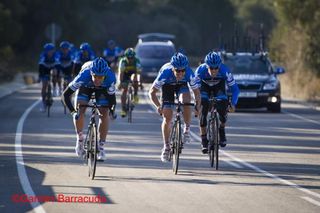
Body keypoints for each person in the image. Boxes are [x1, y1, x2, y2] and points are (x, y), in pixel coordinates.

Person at [149, 52, 201, 162]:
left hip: (181, 86)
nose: (181, 73)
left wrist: (197, 106)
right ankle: (166, 146)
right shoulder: (165, 73)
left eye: (183, 70)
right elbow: (152, 92)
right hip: (167, 86)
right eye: (178, 70)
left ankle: (186, 129)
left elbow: (196, 92)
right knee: (167, 117)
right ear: (173, 69)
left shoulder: (189, 73)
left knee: (186, 102)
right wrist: (158, 106)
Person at [61, 57, 116, 161]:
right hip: (85, 87)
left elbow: (112, 99)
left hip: (102, 90)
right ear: (91, 73)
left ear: (105, 76)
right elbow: (65, 95)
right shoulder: (84, 75)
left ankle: (101, 147)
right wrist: (73, 112)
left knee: (105, 113)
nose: (97, 80)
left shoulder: (110, 77)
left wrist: (112, 111)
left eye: (101, 77)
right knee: (80, 110)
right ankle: (80, 139)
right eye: (95, 76)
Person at [195, 51, 239, 154]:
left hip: (219, 87)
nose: (214, 70)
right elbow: (194, 89)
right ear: (207, 66)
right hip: (204, 87)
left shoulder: (225, 70)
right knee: (203, 106)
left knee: (223, 104)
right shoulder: (200, 70)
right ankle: (204, 140)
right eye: (211, 68)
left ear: (220, 66)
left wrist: (233, 103)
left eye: (216, 68)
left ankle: (221, 129)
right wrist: (196, 103)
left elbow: (235, 89)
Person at [118, 48, 142, 117]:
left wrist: (140, 83)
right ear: (126, 57)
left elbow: (139, 73)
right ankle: (123, 109)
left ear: (134, 57)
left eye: (132, 58)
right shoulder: (123, 61)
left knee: (135, 78)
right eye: (128, 58)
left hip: (133, 74)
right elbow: (121, 73)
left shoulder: (137, 61)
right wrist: (120, 83)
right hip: (125, 75)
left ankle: (135, 94)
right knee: (124, 89)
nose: (130, 59)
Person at [38, 43, 58, 112]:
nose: (49, 52)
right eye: (47, 50)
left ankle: (55, 89)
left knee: (55, 71)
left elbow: (58, 62)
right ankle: (43, 103)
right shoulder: (43, 55)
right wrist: (40, 77)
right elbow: (40, 65)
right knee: (44, 86)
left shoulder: (56, 55)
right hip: (45, 69)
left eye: (50, 50)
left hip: (53, 67)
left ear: (53, 51)